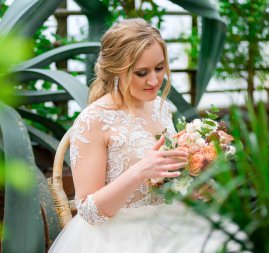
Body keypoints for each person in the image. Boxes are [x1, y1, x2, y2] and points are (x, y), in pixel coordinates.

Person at [48, 18, 239, 253]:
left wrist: (192, 185)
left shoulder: (161, 107)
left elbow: (164, 182)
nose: (154, 80)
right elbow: (88, 211)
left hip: (173, 224)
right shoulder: (93, 120)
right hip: (117, 236)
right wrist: (139, 171)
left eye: (159, 68)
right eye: (141, 73)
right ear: (116, 70)